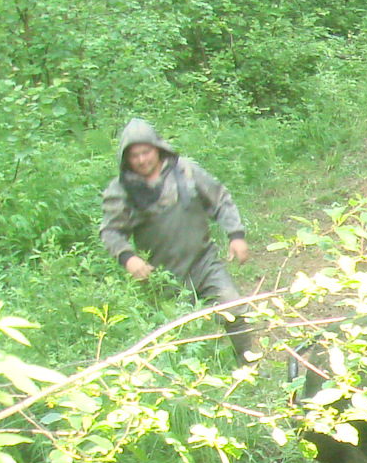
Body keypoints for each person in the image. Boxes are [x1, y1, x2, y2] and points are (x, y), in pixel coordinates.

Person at [99, 119, 255, 356]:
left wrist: (236, 235)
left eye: (146, 152)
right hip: (163, 277)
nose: (142, 160)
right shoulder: (121, 190)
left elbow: (220, 199)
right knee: (176, 339)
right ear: (126, 159)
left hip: (204, 262)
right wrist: (128, 258)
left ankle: (248, 365)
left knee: (233, 308)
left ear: (157, 148)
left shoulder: (186, 170)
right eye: (134, 156)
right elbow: (110, 232)